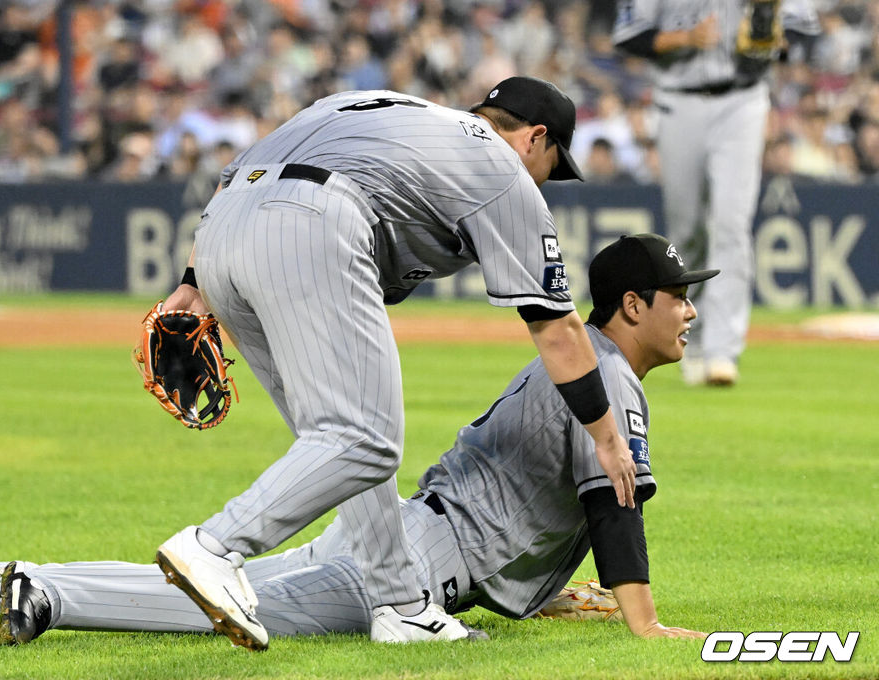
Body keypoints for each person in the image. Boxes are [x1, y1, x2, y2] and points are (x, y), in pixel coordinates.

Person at [0, 233, 713, 644]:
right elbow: (614, 510)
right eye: (679, 297)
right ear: (632, 305)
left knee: (227, 592)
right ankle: (48, 594)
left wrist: (539, 595)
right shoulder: (605, 380)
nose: (691, 312)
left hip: (415, 532)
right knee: (231, 605)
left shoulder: (592, 368)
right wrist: (644, 623)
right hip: (424, 558)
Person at [152, 76, 640, 649]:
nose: (544, 184)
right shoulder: (500, 165)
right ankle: (214, 546)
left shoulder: (370, 105)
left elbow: (232, 174)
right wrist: (606, 438)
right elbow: (558, 328)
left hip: (219, 236)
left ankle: (401, 606)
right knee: (366, 439)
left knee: (339, 444)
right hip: (314, 220)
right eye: (552, 166)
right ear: (535, 138)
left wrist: (192, 281)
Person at [613, 0, 819, 386]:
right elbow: (629, 36)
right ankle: (691, 336)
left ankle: (723, 351)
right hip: (677, 100)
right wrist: (684, 37)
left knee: (731, 223)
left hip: (742, 100)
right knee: (686, 229)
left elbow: (802, 26)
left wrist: (775, 40)